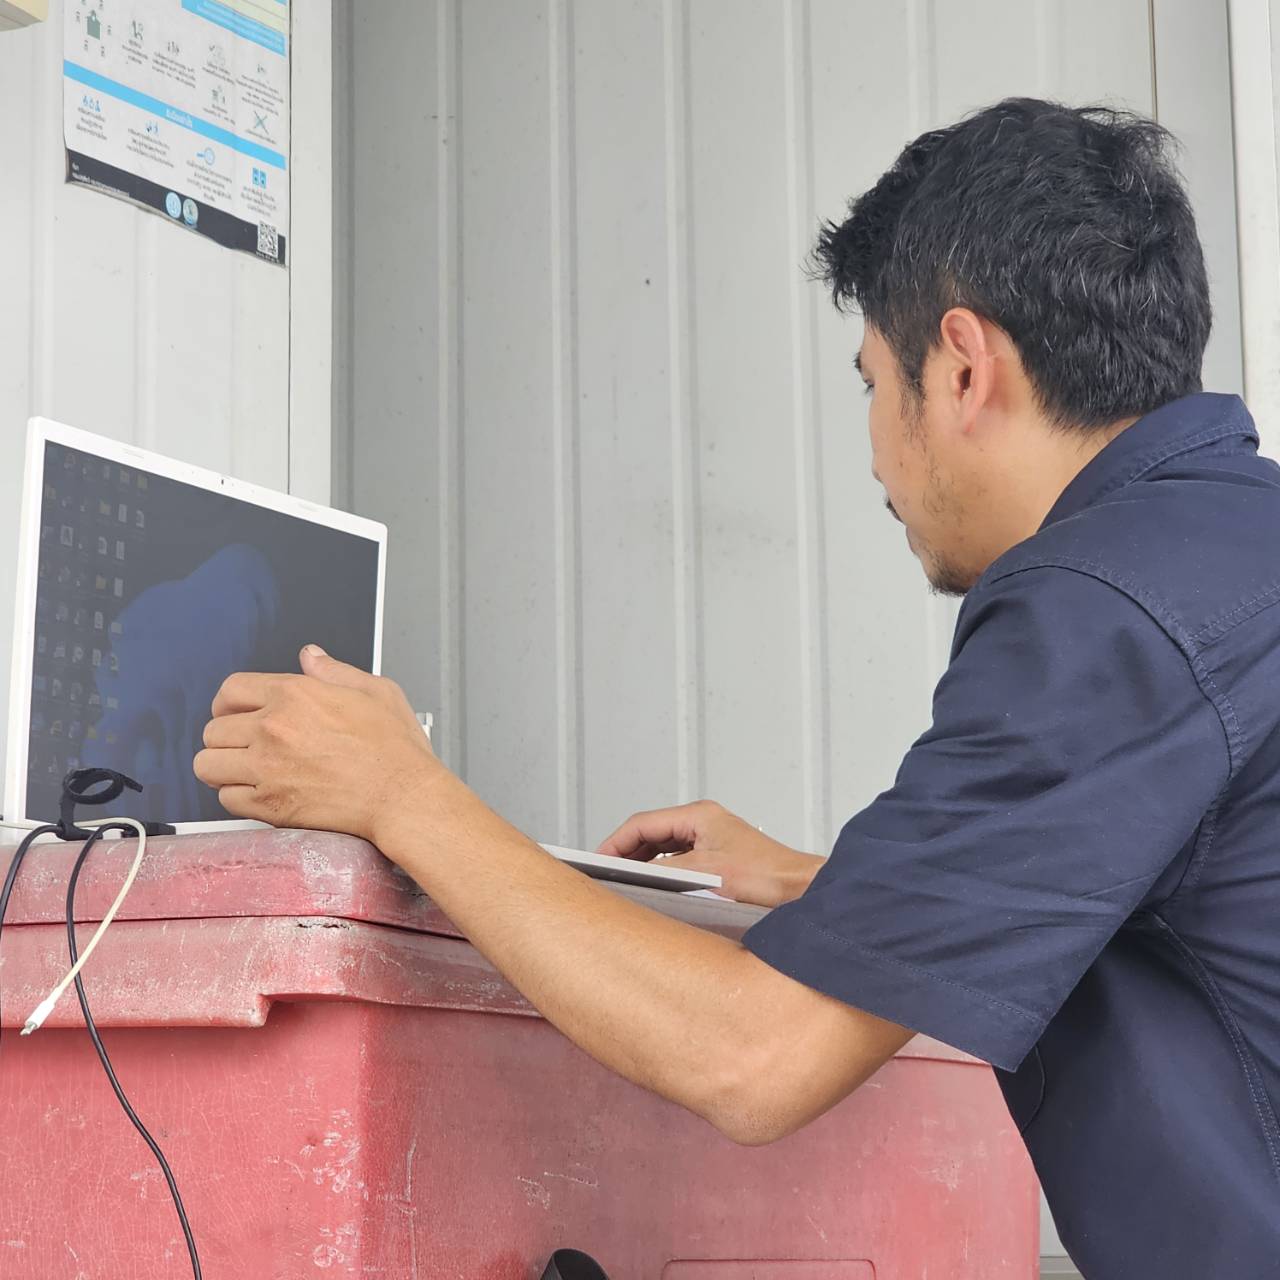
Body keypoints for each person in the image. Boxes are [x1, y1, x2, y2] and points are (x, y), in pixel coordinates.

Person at [193, 99, 1280, 1278]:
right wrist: (834, 890)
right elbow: (1161, 887)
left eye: (872, 383)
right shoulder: (1229, 550)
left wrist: (399, 790)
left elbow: (756, 1058)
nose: (874, 450)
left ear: (962, 367)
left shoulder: (1103, 607)